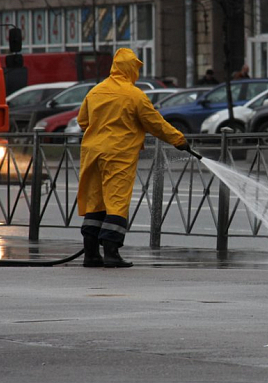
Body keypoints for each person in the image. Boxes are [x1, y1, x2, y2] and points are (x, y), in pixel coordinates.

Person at [77, 48, 190, 268]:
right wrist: (179, 140)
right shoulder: (135, 95)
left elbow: (83, 121)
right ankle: (111, 253)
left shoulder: (96, 91)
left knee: (96, 203)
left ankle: (91, 254)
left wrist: (101, 130)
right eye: (135, 68)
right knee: (117, 202)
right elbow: (155, 124)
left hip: (92, 153)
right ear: (130, 69)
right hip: (118, 154)